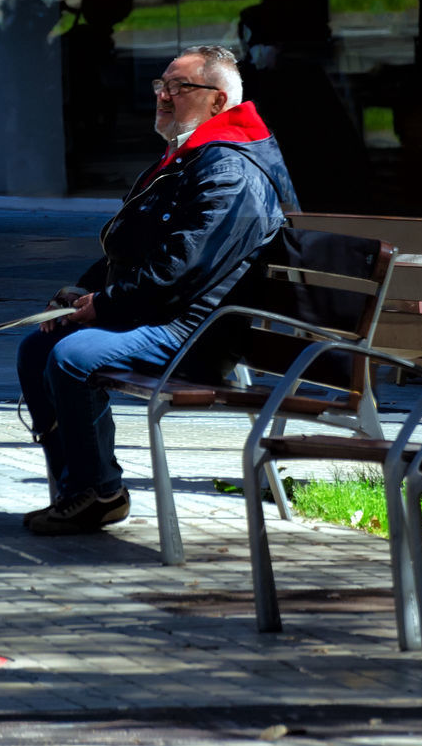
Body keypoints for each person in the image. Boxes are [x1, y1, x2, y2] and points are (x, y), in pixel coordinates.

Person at [17, 44, 299, 536]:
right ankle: (80, 487)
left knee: (71, 356)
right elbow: (137, 248)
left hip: (199, 330)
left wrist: (101, 306)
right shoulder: (193, 156)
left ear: (218, 100)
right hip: (163, 312)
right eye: (160, 86)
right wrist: (81, 293)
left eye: (178, 88)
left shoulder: (229, 168)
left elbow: (185, 269)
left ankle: (96, 490)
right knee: (37, 344)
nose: (163, 97)